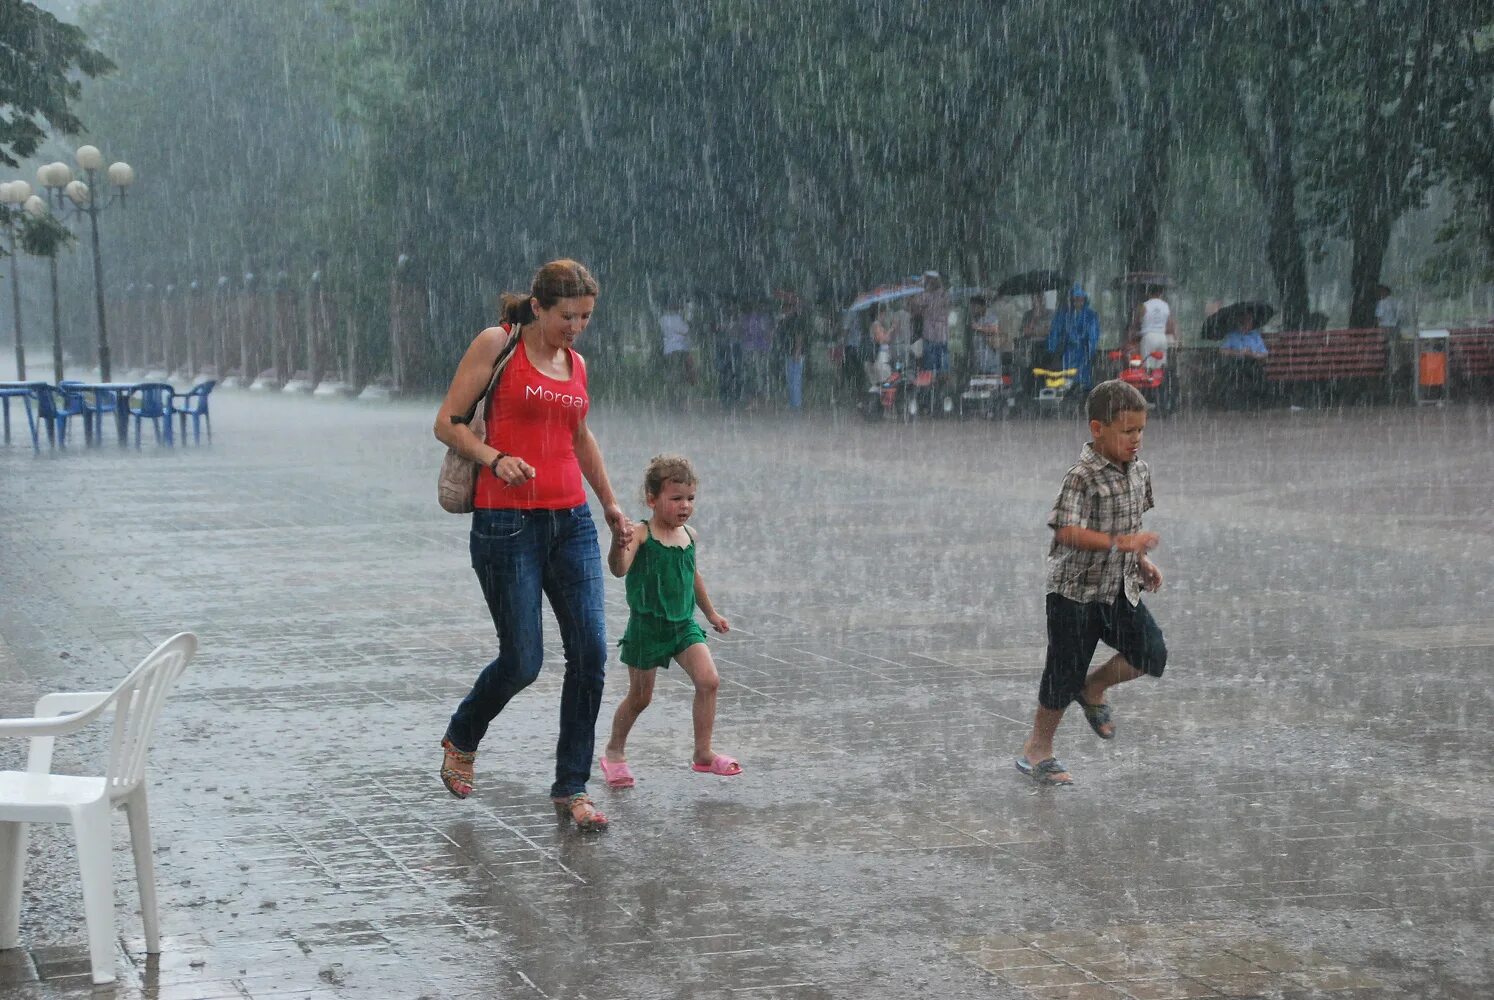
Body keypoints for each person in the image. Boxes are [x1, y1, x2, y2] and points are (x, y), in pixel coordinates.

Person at [433, 259, 633, 833]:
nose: (577, 327)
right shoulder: (499, 344)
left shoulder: (577, 364)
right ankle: (463, 734)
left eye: (587, 317)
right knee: (522, 660)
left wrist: (610, 503)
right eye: (567, 315)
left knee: (591, 654)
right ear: (539, 307)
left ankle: (571, 786)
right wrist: (495, 457)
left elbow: (579, 435)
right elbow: (448, 423)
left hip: (570, 522)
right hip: (505, 526)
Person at [1017, 379, 1168, 787]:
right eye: (1127, 431)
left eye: (1140, 431)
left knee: (1151, 653)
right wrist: (1123, 543)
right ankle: (1037, 751)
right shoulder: (1081, 477)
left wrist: (1141, 559)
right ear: (1097, 429)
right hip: (1074, 593)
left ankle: (1094, 689)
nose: (1136, 440)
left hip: (1118, 589)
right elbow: (1066, 531)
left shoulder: (1140, 471)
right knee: (1062, 671)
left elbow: (1131, 525)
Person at [600, 454, 739, 786]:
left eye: (690, 498)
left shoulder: (688, 535)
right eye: (676, 498)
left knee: (709, 681)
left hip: (682, 626)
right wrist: (618, 546)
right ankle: (614, 751)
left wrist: (710, 613)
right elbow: (619, 570)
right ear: (652, 499)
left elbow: (693, 576)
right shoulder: (641, 534)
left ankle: (703, 754)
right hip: (647, 629)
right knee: (640, 698)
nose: (685, 506)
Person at [1046, 284, 1102, 390]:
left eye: (1080, 299)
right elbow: (1055, 331)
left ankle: (1081, 392)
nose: (1078, 302)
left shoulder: (1091, 315)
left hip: (1083, 353)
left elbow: (1093, 336)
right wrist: (1052, 349)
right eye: (1075, 299)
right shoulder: (1064, 314)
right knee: (1067, 380)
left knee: (1083, 380)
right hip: (1068, 353)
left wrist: (1091, 351)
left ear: (1084, 300)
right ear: (1072, 300)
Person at [1216, 310, 1269, 409]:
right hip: (1236, 363)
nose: (1247, 323)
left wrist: (1252, 354)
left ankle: (1258, 402)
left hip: (1253, 363)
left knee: (1257, 374)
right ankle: (1233, 403)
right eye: (1244, 320)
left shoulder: (1256, 336)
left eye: (1249, 320)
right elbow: (1222, 350)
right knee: (1233, 373)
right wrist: (1239, 353)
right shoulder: (1232, 335)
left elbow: (1265, 353)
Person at [775, 292, 811, 410]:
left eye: (785, 309)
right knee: (791, 379)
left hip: (795, 353)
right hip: (789, 351)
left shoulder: (796, 319)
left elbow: (799, 336)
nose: (783, 311)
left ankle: (796, 404)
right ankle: (793, 403)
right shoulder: (787, 320)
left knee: (795, 379)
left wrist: (797, 351)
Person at [1127, 285, 1176, 370]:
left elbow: (1136, 324)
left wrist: (1131, 335)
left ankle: (1148, 380)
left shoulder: (1144, 305)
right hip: (1162, 337)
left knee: (1147, 365)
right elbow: (1170, 325)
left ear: (1149, 293)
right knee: (1160, 367)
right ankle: (1159, 382)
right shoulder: (1166, 306)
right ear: (1161, 294)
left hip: (1148, 338)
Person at [914, 271, 951, 381]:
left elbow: (916, 307)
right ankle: (942, 387)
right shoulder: (944, 294)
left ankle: (933, 387)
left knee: (931, 366)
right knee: (942, 366)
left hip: (931, 335)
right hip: (941, 335)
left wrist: (920, 286)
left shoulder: (926, 295)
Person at [968, 296, 1004, 374]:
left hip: (992, 362)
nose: (973, 310)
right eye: (972, 307)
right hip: (979, 362)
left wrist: (978, 328)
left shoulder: (991, 316)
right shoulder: (974, 318)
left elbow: (995, 329)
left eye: (975, 307)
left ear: (983, 306)